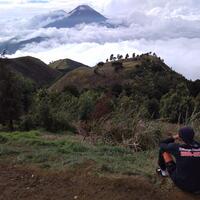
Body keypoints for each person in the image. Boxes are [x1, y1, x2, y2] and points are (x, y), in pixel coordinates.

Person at [157, 127, 200, 193]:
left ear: (180, 137)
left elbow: (161, 144)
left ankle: (163, 172)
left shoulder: (176, 147)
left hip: (183, 184)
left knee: (163, 149)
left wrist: (174, 137)